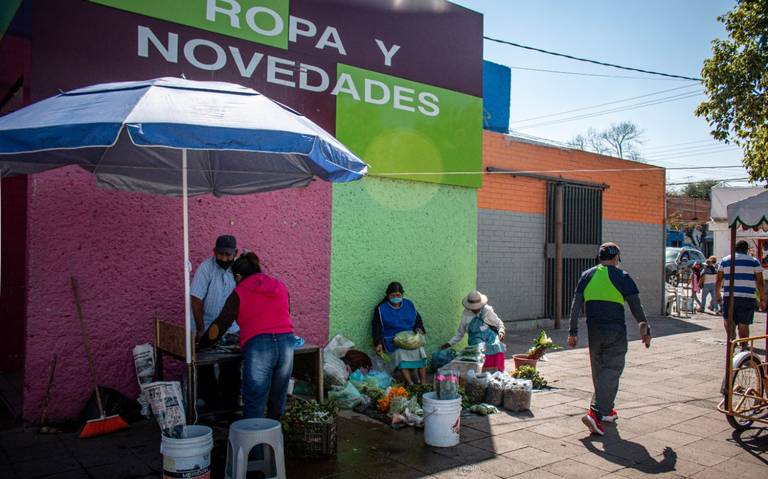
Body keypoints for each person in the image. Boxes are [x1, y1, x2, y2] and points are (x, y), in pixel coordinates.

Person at [567, 242, 651, 436]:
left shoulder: (587, 275)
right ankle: (594, 413)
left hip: (593, 331)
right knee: (612, 370)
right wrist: (646, 331)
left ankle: (606, 411)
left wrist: (573, 332)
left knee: (599, 371)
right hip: (615, 331)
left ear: (599, 257)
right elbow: (637, 308)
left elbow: (575, 305)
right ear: (616, 258)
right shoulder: (622, 276)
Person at [199, 252, 294, 419]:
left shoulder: (239, 292)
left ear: (237, 276)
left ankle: (254, 444)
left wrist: (202, 344)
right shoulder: (280, 285)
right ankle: (276, 442)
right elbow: (287, 312)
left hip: (259, 348)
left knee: (255, 401)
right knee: (277, 400)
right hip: (287, 344)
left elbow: (219, 327)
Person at [190, 234, 240, 409]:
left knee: (231, 366)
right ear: (214, 252)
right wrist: (200, 329)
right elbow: (195, 299)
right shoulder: (206, 268)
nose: (224, 258)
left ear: (236, 253)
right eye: (220, 254)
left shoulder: (239, 269)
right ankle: (209, 404)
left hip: (231, 327)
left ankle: (229, 406)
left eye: (228, 255)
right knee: (205, 364)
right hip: (205, 323)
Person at [372, 282, 427, 385]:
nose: (395, 297)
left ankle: (423, 383)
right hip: (393, 341)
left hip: (410, 339)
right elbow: (376, 328)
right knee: (401, 355)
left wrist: (419, 328)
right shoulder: (381, 309)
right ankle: (410, 384)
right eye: (392, 295)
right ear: (388, 295)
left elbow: (417, 320)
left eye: (398, 295)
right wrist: (378, 343)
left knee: (421, 350)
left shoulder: (409, 304)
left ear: (402, 294)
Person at [441, 290, 506, 372]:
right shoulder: (466, 314)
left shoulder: (487, 310)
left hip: (490, 337)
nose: (475, 310)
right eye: (473, 308)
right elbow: (460, 333)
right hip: (476, 340)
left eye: (477, 307)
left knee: (498, 347)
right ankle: (480, 374)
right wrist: (449, 343)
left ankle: (497, 374)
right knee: (479, 349)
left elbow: (499, 323)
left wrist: (501, 331)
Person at [716, 240, 765, 344]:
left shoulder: (725, 260)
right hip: (747, 297)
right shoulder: (754, 261)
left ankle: (732, 338)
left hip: (729, 295)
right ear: (746, 250)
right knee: (744, 322)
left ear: (735, 248)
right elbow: (760, 282)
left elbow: (719, 279)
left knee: (728, 319)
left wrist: (717, 294)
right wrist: (762, 299)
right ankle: (743, 344)